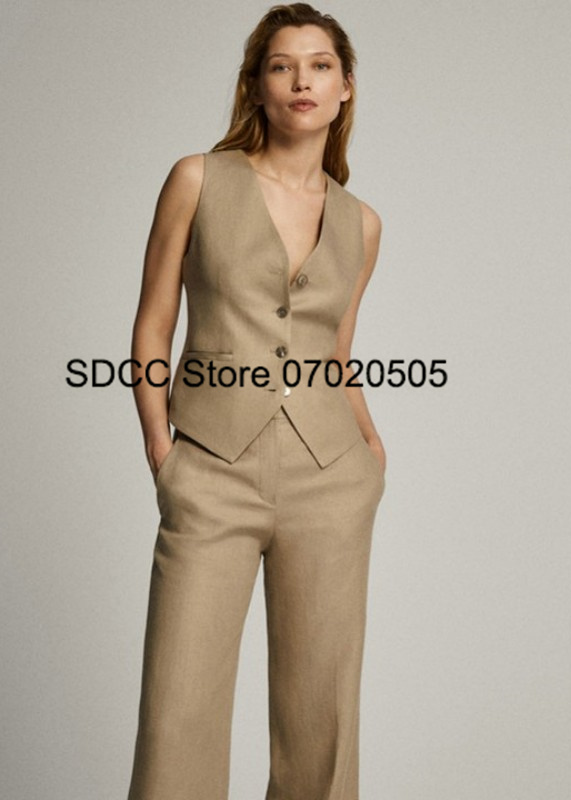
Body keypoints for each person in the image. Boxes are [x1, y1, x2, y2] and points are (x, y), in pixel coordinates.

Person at [126, 4, 385, 798]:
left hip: (330, 478)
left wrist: (371, 451)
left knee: (321, 723)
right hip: (212, 468)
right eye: (282, 66)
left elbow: (335, 354)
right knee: (177, 714)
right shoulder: (198, 179)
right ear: (257, 85)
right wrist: (163, 451)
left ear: (345, 87)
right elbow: (154, 325)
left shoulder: (362, 223)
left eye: (320, 65)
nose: (302, 80)